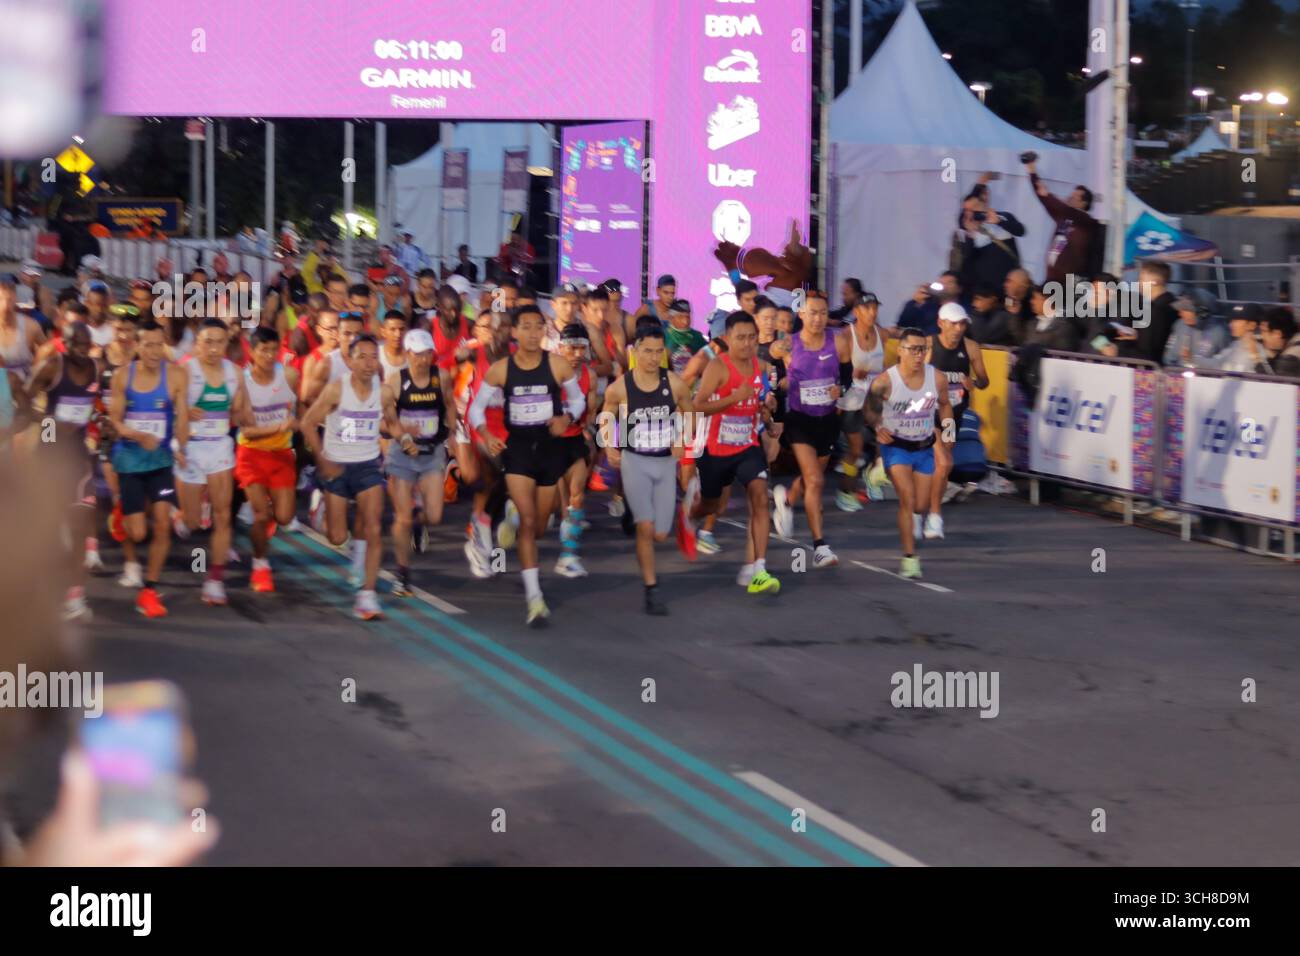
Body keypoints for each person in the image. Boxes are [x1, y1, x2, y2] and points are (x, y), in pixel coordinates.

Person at [468, 305, 586, 625]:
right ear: (515, 333)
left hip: (550, 448)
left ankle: (512, 519)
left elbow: (578, 400)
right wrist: (485, 433)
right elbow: (475, 409)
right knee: (531, 518)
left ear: (544, 332)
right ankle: (535, 598)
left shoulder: (558, 365)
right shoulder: (502, 370)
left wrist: (567, 417)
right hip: (518, 448)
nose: (533, 333)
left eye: (538, 327)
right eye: (526, 327)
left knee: (539, 524)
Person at [602, 325, 696, 615]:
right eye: (647, 351)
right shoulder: (620, 387)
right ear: (635, 352)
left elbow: (691, 413)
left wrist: (683, 439)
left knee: (660, 535)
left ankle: (674, 515)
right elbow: (606, 414)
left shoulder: (675, 384)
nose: (653, 358)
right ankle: (651, 590)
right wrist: (608, 445)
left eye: (659, 352)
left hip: (665, 462)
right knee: (646, 527)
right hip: (635, 460)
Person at [689, 310, 780, 595]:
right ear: (727, 339)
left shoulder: (761, 367)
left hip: (747, 446)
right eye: (741, 338)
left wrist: (769, 416)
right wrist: (732, 399)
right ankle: (690, 515)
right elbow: (698, 406)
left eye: (752, 337)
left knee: (759, 497)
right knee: (712, 506)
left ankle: (758, 569)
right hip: (715, 450)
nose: (747, 343)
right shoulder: (718, 367)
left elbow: (759, 404)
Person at [300, 333, 389, 621]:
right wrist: (321, 459)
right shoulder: (336, 390)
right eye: (361, 357)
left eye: (373, 356)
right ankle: (321, 505)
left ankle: (367, 595)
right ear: (349, 361)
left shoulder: (384, 391)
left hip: (367, 465)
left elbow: (391, 422)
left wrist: (403, 435)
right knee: (337, 537)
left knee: (373, 525)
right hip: (337, 464)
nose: (368, 363)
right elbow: (308, 423)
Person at [108, 320, 190, 617]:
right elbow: (114, 422)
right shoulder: (121, 376)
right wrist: (139, 435)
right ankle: (122, 515)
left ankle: (149, 591)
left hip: (160, 461)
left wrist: (180, 445)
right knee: (138, 532)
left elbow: (181, 416)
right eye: (149, 345)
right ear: (137, 346)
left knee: (163, 522)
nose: (155, 351)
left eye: (160, 344)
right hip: (129, 460)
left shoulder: (177, 375)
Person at [864, 327, 954, 580]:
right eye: (913, 349)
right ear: (900, 351)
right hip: (896, 447)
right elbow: (869, 411)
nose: (918, 355)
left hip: (923, 447)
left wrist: (949, 433)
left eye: (922, 349)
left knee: (920, 505)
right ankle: (910, 558)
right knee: (907, 497)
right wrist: (877, 426)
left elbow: (945, 406)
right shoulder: (885, 381)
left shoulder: (936, 378)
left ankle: (914, 515)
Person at [25, 322, 100, 621]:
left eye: (86, 345)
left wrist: (99, 421)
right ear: (64, 345)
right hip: (50, 457)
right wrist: (48, 424)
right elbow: (25, 401)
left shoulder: (96, 367)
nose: (82, 351)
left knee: (80, 528)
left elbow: (94, 406)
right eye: (76, 346)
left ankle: (75, 598)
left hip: (79, 457)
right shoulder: (51, 367)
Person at [174, 319, 248, 606]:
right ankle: (181, 515)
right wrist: (182, 419)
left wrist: (249, 417)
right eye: (208, 342)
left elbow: (241, 412)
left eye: (220, 342)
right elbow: (165, 412)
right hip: (190, 449)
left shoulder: (235, 373)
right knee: (193, 523)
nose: (214, 348)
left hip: (219, 449)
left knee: (222, 516)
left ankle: (215, 580)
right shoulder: (184, 372)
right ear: (196, 344)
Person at [770, 291, 843, 568]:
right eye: (812, 312)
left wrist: (842, 389)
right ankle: (820, 547)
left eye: (823, 313)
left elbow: (847, 375)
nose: (818, 318)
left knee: (810, 477)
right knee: (815, 481)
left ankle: (786, 500)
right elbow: (771, 353)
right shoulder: (790, 343)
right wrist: (780, 373)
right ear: (801, 314)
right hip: (800, 420)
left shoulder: (838, 341)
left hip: (827, 421)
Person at [383, 329, 456, 596]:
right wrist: (403, 438)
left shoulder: (442, 378)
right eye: (417, 355)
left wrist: (448, 428)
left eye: (427, 354)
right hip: (403, 455)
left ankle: (419, 521)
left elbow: (449, 405)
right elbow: (389, 418)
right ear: (407, 354)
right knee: (400, 517)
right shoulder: (395, 381)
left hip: (431, 452)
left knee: (435, 514)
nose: (422, 360)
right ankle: (402, 575)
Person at [236, 327, 300, 594]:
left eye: (274, 350)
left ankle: (264, 521)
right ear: (252, 351)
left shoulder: (289, 375)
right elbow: (247, 429)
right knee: (260, 515)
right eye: (263, 350)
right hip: (251, 454)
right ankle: (260, 565)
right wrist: (279, 427)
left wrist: (298, 424)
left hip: (281, 455)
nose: (269, 355)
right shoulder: (242, 382)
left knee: (284, 518)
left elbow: (300, 409)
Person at [926, 303, 989, 538]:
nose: (958, 328)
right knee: (943, 462)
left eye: (962, 323)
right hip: (928, 414)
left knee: (944, 463)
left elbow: (984, 380)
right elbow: (911, 375)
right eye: (953, 323)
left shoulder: (971, 348)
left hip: (953, 416)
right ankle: (934, 516)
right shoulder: (929, 345)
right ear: (941, 323)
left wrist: (975, 384)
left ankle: (924, 507)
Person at [834, 291, 885, 511]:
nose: (872, 312)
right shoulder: (846, 336)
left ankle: (874, 474)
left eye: (875, 308)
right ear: (856, 312)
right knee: (855, 450)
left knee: (889, 431)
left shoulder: (882, 334)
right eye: (867, 308)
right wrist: (853, 374)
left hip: (872, 396)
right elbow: (836, 371)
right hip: (851, 399)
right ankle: (846, 491)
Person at [1024, 156, 1100, 286]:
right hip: (1052, 277)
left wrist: (1046, 194)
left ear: (1084, 203)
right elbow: (1044, 199)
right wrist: (1031, 171)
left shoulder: (1086, 221)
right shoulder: (1065, 217)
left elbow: (1049, 200)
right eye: (1072, 194)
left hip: (1071, 282)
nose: (1070, 197)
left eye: (1075, 197)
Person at [954, 176, 1025, 295]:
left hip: (1006, 286)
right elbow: (966, 257)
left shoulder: (1003, 216)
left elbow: (1021, 231)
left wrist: (999, 222)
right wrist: (971, 234)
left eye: (986, 193)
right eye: (967, 210)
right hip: (981, 291)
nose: (970, 213)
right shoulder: (965, 222)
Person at [1116, 260, 1177, 364]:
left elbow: (1147, 353)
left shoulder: (1156, 311)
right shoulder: (1169, 306)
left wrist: (1118, 352)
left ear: (1154, 282)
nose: (1138, 283)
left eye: (1142, 279)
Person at [1, 276, 49, 384]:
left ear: (16, 299)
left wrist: (36, 366)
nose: (5, 306)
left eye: (9, 299)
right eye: (0, 299)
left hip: (24, 388)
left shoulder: (31, 326)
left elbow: (49, 354)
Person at [1162, 295, 1228, 368]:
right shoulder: (1180, 325)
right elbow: (1169, 357)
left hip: (1205, 377)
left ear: (1202, 313)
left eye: (1186, 310)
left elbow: (1222, 364)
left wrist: (1194, 360)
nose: (1180, 314)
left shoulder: (1220, 333)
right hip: (1177, 374)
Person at [897, 272, 958, 337]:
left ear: (959, 288)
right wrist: (915, 303)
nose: (944, 286)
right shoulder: (928, 305)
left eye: (949, 283)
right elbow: (902, 325)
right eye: (941, 283)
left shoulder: (963, 310)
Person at [1210, 303, 1265, 373]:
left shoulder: (1261, 350)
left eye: (1236, 321)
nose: (1231, 325)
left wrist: (1254, 354)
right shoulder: (1234, 345)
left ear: (1252, 325)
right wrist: (1194, 358)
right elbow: (1215, 363)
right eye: (1231, 321)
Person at [1251, 306, 1300, 377]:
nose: (1261, 336)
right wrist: (1272, 354)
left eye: (1264, 331)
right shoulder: (1288, 344)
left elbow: (1274, 384)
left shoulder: (1292, 358)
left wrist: (1255, 355)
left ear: (1277, 334)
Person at [378, 309, 409, 381]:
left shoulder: (412, 354)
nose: (398, 334)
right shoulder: (376, 354)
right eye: (392, 329)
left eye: (401, 329)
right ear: (383, 332)